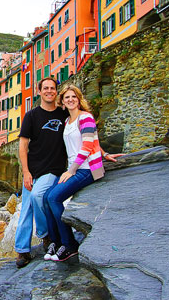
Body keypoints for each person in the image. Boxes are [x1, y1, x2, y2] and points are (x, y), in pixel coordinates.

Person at [42, 84, 122, 262]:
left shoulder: (85, 117)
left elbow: (87, 145)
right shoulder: (67, 122)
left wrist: (71, 170)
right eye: (67, 97)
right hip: (75, 168)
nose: (70, 100)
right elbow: (93, 139)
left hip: (86, 169)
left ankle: (70, 245)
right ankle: (56, 242)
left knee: (54, 198)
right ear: (62, 101)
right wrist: (104, 152)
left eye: (74, 97)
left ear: (79, 100)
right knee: (46, 198)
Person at [15, 77, 69, 268]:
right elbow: (23, 145)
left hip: (53, 169)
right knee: (26, 210)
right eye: (45, 88)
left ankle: (45, 235)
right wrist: (26, 172)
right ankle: (22, 251)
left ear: (56, 91)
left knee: (39, 196)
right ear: (39, 92)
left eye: (52, 88)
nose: (49, 91)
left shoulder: (64, 114)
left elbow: (82, 131)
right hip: (33, 170)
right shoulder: (31, 116)